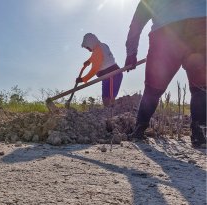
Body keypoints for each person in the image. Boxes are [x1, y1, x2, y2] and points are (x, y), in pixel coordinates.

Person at [124, 0, 206, 148]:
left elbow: (137, 22)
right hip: (201, 26)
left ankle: (138, 131)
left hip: (166, 33)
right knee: (201, 88)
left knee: (152, 90)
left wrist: (131, 52)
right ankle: (200, 135)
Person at [77, 33, 123, 107]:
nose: (88, 50)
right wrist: (89, 61)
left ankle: (112, 115)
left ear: (91, 43)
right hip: (107, 76)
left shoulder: (98, 50)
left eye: (87, 47)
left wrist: (83, 79)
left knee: (109, 99)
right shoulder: (102, 46)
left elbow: (94, 70)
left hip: (112, 75)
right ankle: (109, 114)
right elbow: (96, 56)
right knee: (105, 98)